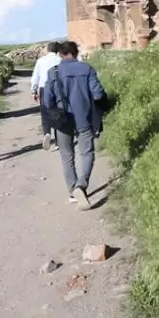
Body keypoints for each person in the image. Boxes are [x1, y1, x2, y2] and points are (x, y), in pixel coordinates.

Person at [46, 40, 107, 209]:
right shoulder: (87, 69)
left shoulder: (53, 72)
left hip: (62, 120)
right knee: (87, 153)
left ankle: (73, 191)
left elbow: (47, 100)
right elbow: (97, 94)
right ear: (76, 52)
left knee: (67, 156)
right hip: (85, 118)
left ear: (60, 55)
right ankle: (82, 185)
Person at [30, 41, 63, 151]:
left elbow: (35, 77)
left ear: (48, 50)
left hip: (44, 88)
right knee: (58, 113)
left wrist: (33, 91)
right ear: (57, 50)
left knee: (45, 112)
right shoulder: (61, 60)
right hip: (58, 89)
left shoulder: (41, 61)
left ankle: (47, 132)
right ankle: (58, 142)